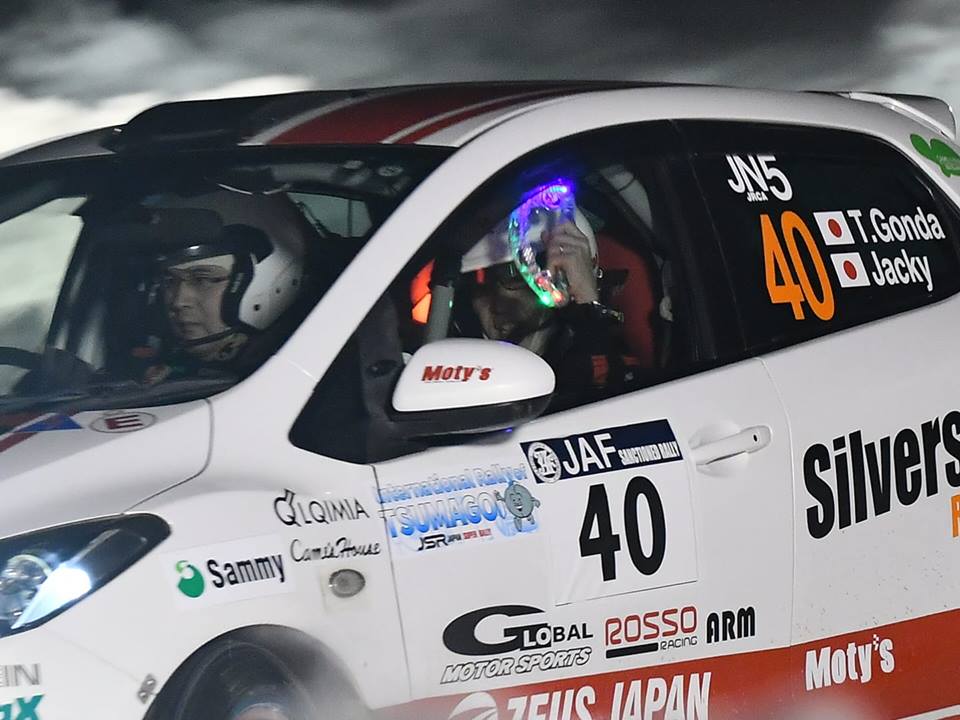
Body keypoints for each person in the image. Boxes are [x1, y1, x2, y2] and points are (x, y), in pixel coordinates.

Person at [455, 190, 639, 404]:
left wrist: (587, 305)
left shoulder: (605, 361)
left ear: (567, 275)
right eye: (481, 286)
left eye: (515, 278)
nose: (498, 305)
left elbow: (618, 400)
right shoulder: (456, 371)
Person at [140, 223, 306, 385]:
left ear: (257, 287)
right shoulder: (166, 363)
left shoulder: (289, 374)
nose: (178, 302)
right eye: (170, 281)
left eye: (202, 280)